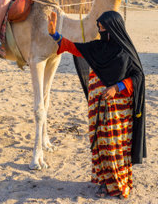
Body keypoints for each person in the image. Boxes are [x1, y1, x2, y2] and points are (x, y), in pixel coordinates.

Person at [47, 10, 146, 199]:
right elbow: (73, 47)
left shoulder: (126, 52)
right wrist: (54, 34)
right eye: (99, 27)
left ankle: (118, 183)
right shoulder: (97, 47)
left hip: (118, 110)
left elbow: (138, 76)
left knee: (114, 144)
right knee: (99, 143)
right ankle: (103, 182)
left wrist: (117, 87)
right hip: (96, 106)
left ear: (113, 29)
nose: (99, 31)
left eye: (102, 27)